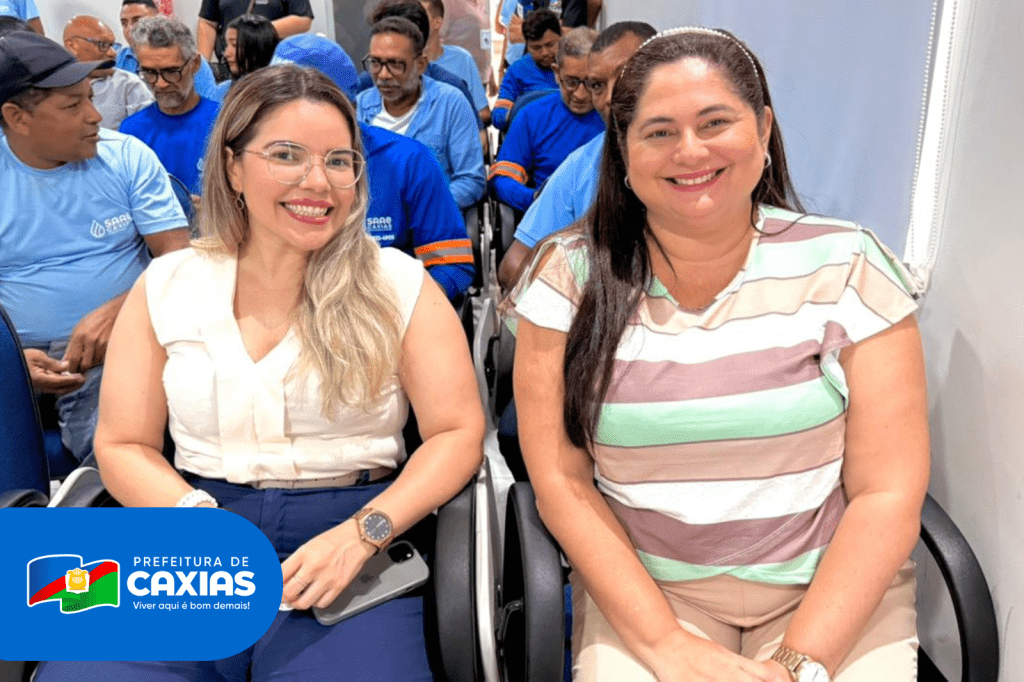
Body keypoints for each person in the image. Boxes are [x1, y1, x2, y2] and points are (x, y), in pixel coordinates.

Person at [34, 64, 484, 681]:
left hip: (351, 536)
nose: (317, 181)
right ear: (232, 167)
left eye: (339, 161)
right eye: (286, 155)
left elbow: (457, 433)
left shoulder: (398, 285)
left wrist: (364, 532)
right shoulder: (168, 285)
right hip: (191, 527)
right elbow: (122, 443)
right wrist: (192, 518)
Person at [506, 28, 927, 682]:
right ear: (623, 151)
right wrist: (668, 646)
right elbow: (562, 483)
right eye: (659, 132)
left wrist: (798, 663)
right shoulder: (568, 277)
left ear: (763, 130)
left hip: (831, 592)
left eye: (714, 123)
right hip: (650, 597)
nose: (690, 151)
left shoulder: (849, 264)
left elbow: (886, 491)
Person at [0, 31, 189, 463]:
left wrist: (123, 310)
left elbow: (181, 261)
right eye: (73, 105)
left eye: (91, 97)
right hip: (13, 354)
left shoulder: (127, 157)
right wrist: (10, 358)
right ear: (17, 117)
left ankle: (106, 492)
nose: (95, 116)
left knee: (119, 443)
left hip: (118, 345)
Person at [268, 32, 474, 299]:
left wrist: (395, 310)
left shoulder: (408, 162)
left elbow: (451, 265)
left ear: (349, 107)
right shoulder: (258, 162)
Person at [497, 20, 655, 289]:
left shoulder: (701, 160)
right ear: (557, 73)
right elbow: (513, 266)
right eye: (596, 85)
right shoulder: (576, 160)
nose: (583, 95)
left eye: (626, 79)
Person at [357, 16, 485, 209]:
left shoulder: (450, 103)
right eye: (375, 63)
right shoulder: (360, 107)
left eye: (395, 64)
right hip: (372, 218)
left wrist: (421, 208)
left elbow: (471, 180)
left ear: (421, 65)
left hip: (433, 218)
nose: (383, 74)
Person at [489, 26, 602, 213]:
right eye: (571, 82)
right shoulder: (531, 116)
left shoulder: (617, 117)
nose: (580, 94)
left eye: (592, 83)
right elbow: (502, 179)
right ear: (557, 74)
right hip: (550, 216)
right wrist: (534, 199)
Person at [120, 16, 220, 195]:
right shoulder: (132, 132)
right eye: (149, 72)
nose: (161, 83)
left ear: (195, 63)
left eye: (172, 71)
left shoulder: (224, 122)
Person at [62, 15, 154, 129]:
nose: (113, 53)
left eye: (112, 45)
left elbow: (148, 132)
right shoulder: (51, 87)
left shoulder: (128, 85)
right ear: (72, 46)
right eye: (103, 45)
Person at [117, 0, 220, 100]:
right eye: (124, 23)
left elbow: (208, 105)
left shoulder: (190, 59)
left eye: (137, 21)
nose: (129, 29)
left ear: (158, 18)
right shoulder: (118, 60)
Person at [418, 0, 490, 125]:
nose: (415, 22)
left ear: (437, 22)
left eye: (421, 16)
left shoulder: (462, 59)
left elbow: (484, 113)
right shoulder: (404, 63)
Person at [492, 8, 560, 131]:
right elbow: (498, 115)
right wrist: (522, 113)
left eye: (550, 45)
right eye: (536, 48)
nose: (545, 53)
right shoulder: (517, 71)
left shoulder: (575, 65)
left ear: (560, 38)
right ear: (527, 45)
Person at [196, 0, 312, 64]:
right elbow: (207, 23)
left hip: (271, 65)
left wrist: (256, 31)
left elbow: (303, 20)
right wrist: (203, 67)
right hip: (230, 66)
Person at [214, 13, 279, 101]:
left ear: (257, 48)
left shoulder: (277, 95)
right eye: (226, 45)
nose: (226, 53)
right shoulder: (224, 89)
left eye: (235, 45)